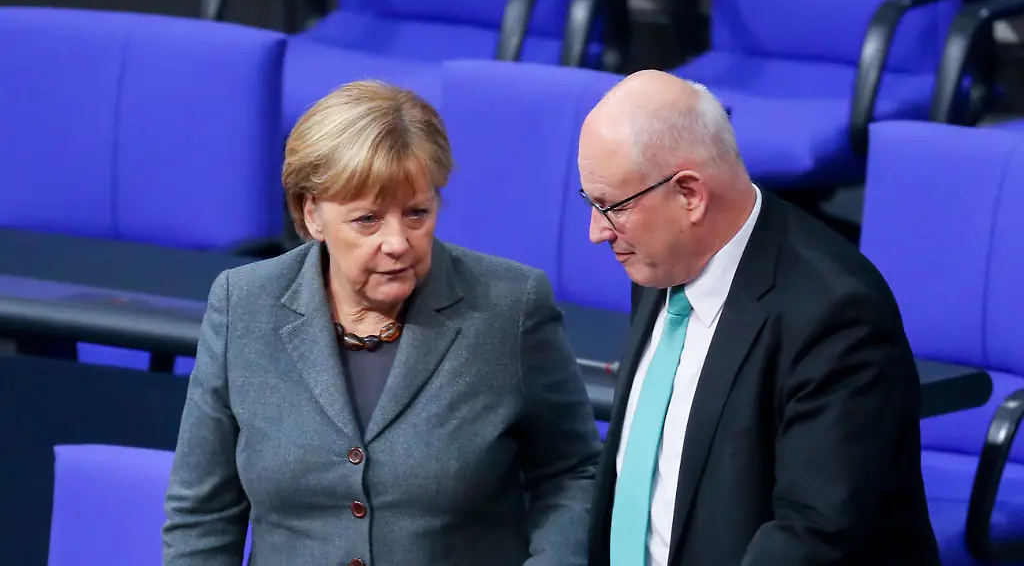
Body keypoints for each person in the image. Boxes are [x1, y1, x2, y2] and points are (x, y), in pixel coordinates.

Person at [162, 80, 601, 565]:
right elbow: (202, 515)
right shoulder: (244, 304)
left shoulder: (508, 308)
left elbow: (572, 472)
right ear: (312, 214)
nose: (397, 242)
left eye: (417, 213)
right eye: (367, 219)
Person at [580, 70, 940, 565]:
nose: (597, 231)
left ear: (689, 195)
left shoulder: (837, 317)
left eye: (610, 207)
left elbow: (813, 537)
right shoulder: (660, 260)